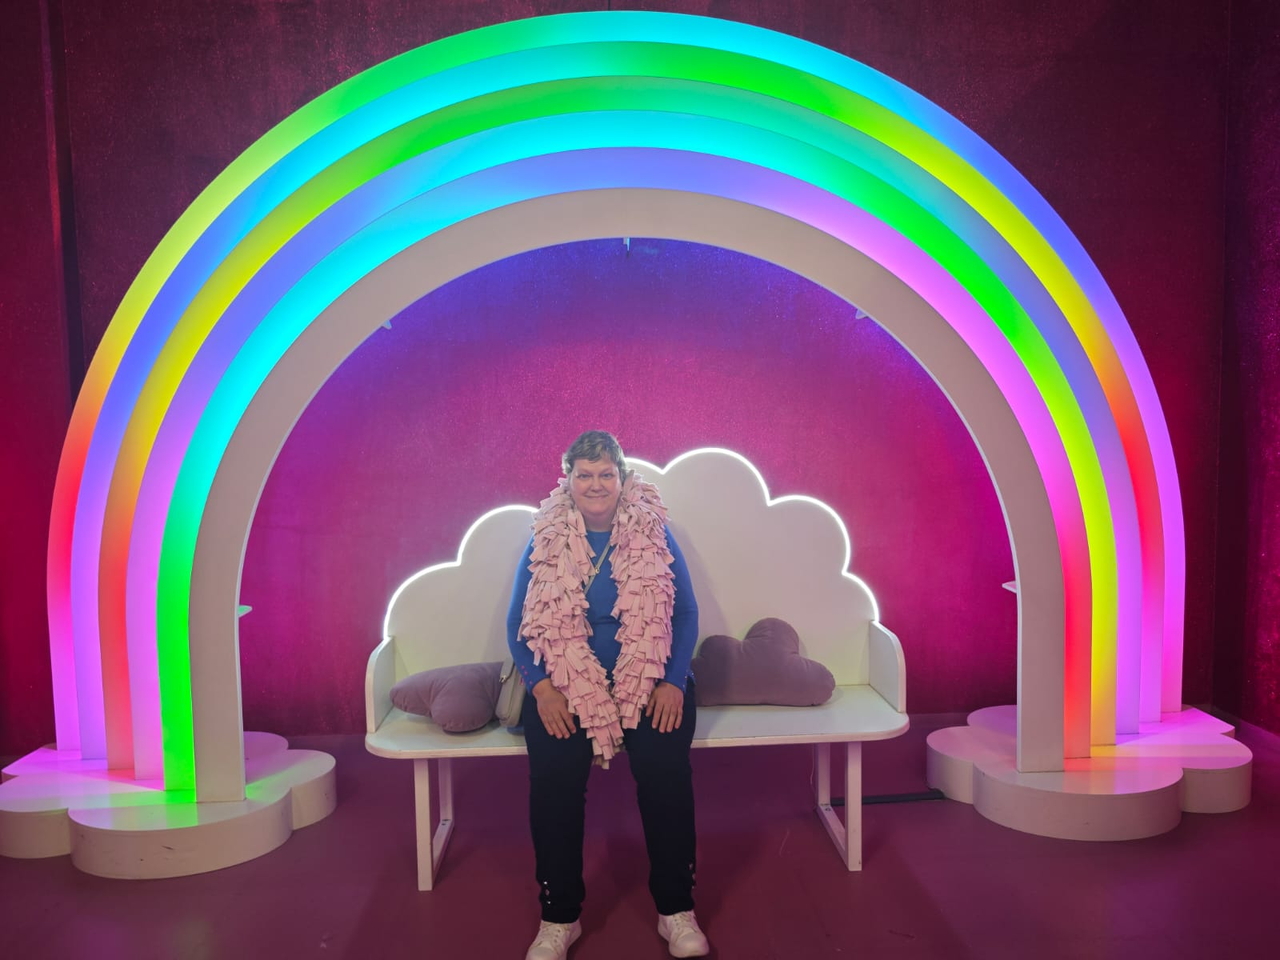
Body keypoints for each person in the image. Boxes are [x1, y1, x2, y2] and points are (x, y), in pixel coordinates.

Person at [507, 430, 709, 960]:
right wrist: (542, 688)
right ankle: (559, 916)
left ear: (621, 478)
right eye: (585, 474)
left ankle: (676, 910)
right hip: (566, 684)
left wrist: (673, 680)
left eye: (605, 474)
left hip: (649, 678)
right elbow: (516, 626)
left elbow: (686, 613)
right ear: (568, 479)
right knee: (553, 785)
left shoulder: (655, 531)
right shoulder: (543, 537)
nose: (595, 484)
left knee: (665, 776)